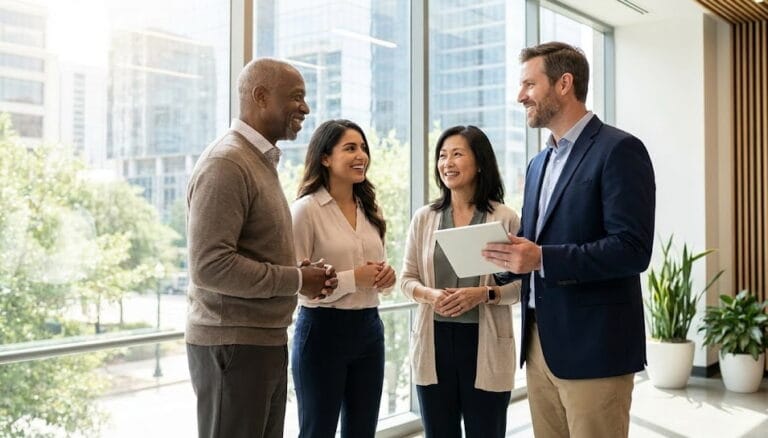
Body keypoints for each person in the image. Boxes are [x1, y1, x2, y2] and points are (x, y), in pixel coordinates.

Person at [482, 42, 656, 438]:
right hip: (539, 345)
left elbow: (631, 249)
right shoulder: (538, 162)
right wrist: (506, 257)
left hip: (594, 348)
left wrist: (541, 258)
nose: (519, 95)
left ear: (564, 84)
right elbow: (534, 243)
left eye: (529, 83)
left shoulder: (619, 150)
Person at [185, 58, 338, 438]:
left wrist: (298, 272)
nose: (305, 107)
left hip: (259, 341)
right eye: (297, 97)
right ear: (260, 96)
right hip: (233, 346)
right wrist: (296, 278)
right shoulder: (226, 163)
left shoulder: (256, 161)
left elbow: (248, 251)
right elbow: (211, 266)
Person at [400, 125, 521, 438]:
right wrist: (429, 294)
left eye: (457, 154)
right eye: (442, 156)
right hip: (434, 343)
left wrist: (484, 294)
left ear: (479, 161)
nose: (447, 163)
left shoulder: (505, 218)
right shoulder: (424, 217)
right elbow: (407, 279)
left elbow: (522, 287)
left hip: (485, 344)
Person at [290, 119, 396, 438]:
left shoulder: (369, 209)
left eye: (363, 148)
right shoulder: (305, 211)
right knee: (317, 431)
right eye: (350, 148)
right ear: (325, 157)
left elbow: (376, 273)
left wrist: (384, 277)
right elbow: (297, 286)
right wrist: (355, 279)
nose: (360, 155)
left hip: (369, 329)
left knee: (363, 431)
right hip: (322, 332)